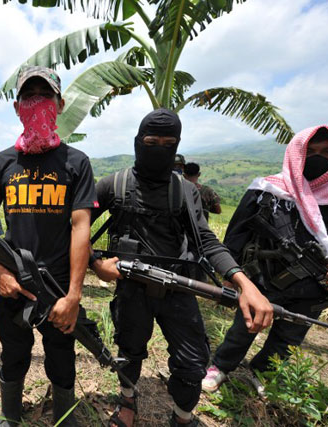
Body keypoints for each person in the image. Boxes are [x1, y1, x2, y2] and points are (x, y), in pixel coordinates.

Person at [89, 108, 273, 427]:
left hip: (178, 287)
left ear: (176, 146)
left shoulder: (185, 190)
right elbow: (76, 230)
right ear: (137, 141)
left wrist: (245, 283)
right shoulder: (112, 185)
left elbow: (206, 239)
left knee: (192, 364)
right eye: (151, 140)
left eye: (167, 142)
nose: (158, 147)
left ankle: (183, 416)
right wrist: (97, 265)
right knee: (129, 352)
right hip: (131, 289)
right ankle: (128, 399)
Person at [0, 66, 97, 426]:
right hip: (13, 281)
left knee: (61, 354)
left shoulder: (76, 163)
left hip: (58, 285)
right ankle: (10, 415)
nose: (36, 104)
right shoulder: (1, 163)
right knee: (14, 352)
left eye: (44, 97)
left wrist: (74, 295)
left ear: (59, 104)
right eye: (29, 97)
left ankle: (64, 416)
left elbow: (81, 227)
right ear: (17, 107)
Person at [202, 126, 328, 394]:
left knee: (289, 338)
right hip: (261, 280)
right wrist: (231, 275)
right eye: (311, 152)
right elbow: (237, 235)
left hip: (315, 289)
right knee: (244, 328)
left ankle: (261, 372)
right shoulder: (267, 190)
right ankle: (221, 365)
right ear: (297, 153)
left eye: (327, 153)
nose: (318, 158)